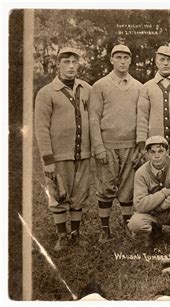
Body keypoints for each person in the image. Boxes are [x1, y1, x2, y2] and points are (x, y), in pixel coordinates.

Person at [34, 47, 92, 251]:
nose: (70, 66)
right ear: (58, 64)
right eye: (66, 62)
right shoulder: (46, 92)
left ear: (79, 64)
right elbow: (41, 128)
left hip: (83, 153)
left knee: (79, 194)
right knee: (58, 194)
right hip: (59, 155)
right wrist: (48, 160)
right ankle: (62, 236)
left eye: (74, 62)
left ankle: (75, 234)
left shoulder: (86, 88)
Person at [89, 44, 143, 242]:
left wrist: (140, 145)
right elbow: (93, 118)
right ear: (111, 60)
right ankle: (105, 229)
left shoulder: (138, 86)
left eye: (125, 57)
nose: (122, 61)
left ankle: (128, 225)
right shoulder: (100, 85)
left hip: (130, 145)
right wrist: (99, 147)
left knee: (128, 187)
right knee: (106, 186)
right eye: (118, 57)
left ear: (130, 60)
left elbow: (142, 117)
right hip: (107, 145)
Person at [128, 136, 170, 248]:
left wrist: (160, 207)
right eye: (152, 152)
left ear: (167, 152)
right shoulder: (141, 173)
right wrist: (163, 193)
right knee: (135, 223)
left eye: (160, 151)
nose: (156, 155)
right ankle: (153, 232)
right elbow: (139, 204)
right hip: (152, 213)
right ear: (147, 154)